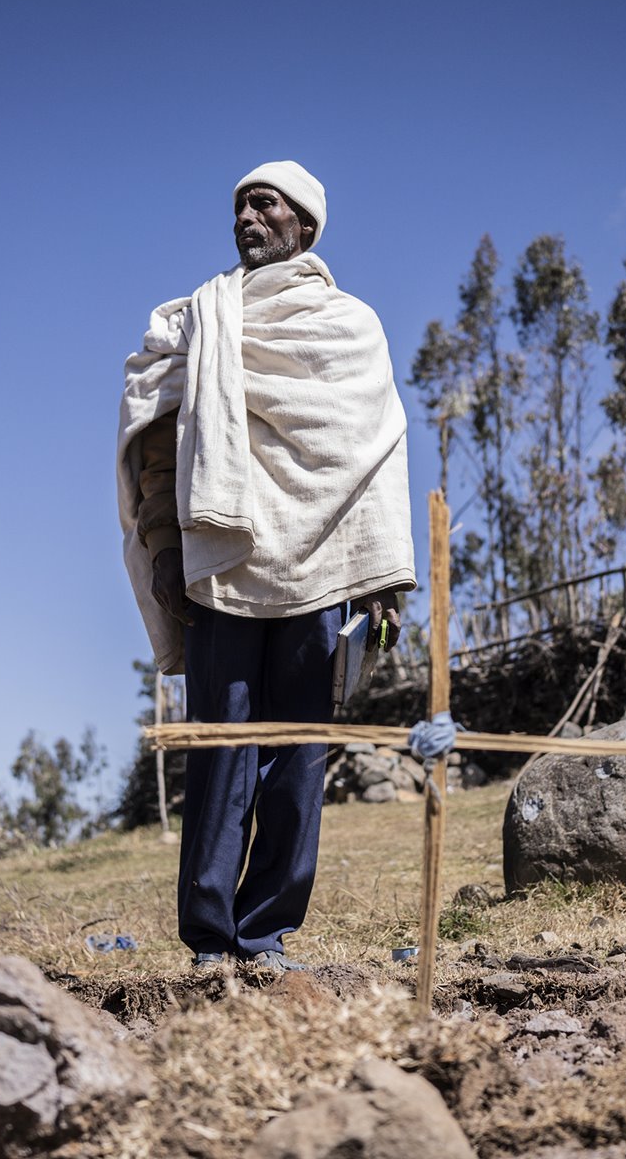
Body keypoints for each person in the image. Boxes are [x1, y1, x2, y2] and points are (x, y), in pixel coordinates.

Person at [116, 161, 416, 970]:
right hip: (221, 564)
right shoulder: (196, 322)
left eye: (265, 202)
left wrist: (385, 571)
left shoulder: (350, 328)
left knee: (299, 755)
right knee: (223, 751)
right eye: (239, 204)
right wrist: (167, 546)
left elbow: (376, 452)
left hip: (318, 570)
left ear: (304, 225)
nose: (247, 215)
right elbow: (156, 445)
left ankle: (266, 932)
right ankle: (213, 940)